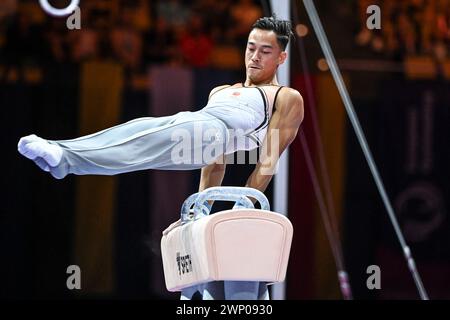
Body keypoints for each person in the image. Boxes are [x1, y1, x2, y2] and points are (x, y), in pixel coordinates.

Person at [17, 14, 304, 300]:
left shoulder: (286, 97)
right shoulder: (222, 91)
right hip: (197, 132)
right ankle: (65, 162)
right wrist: (199, 211)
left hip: (212, 133)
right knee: (136, 142)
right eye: (250, 47)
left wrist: (242, 205)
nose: (254, 57)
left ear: (281, 58)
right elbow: (216, 163)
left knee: (144, 136)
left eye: (265, 52)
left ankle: (64, 156)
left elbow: (267, 160)